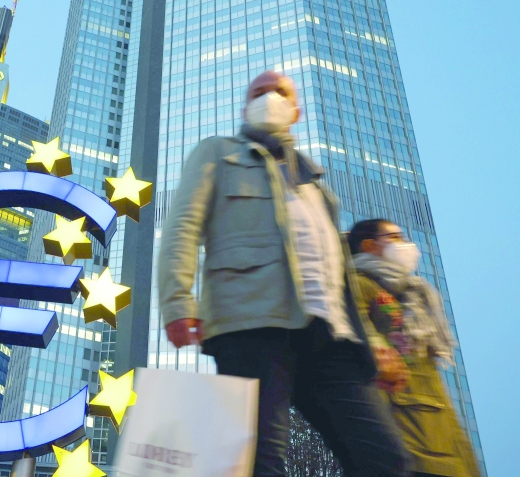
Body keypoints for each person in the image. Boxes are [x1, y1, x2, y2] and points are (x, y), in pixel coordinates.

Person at [156, 70, 409, 477]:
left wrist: (375, 341)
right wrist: (177, 300)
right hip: (252, 322)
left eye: (280, 92)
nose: (269, 97)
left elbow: (339, 278)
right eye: (259, 92)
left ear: (296, 110)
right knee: (262, 460)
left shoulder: (318, 185)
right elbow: (182, 226)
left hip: (332, 337)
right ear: (244, 107)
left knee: (384, 458)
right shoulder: (218, 153)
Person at [349, 219, 481, 477]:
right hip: (404, 430)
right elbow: (360, 329)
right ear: (369, 245)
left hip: (442, 431)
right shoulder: (359, 283)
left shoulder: (414, 293)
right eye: (395, 237)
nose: (406, 245)